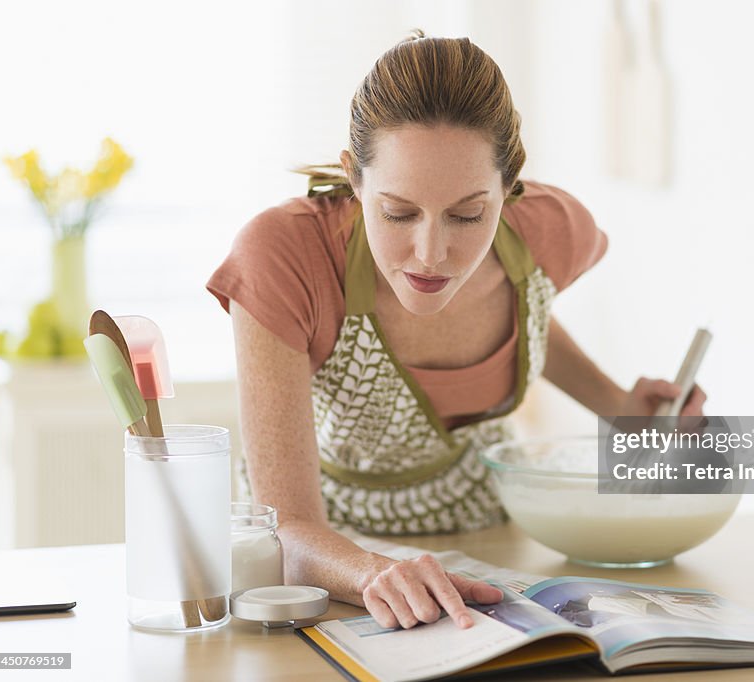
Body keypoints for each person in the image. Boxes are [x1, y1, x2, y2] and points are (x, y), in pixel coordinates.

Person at [206, 31, 706, 633]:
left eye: (469, 215)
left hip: (488, 545)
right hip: (321, 559)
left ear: (509, 187)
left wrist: (621, 407)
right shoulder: (283, 256)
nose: (430, 253)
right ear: (354, 178)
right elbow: (287, 526)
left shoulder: (551, 232)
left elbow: (529, 314)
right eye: (398, 212)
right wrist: (372, 573)